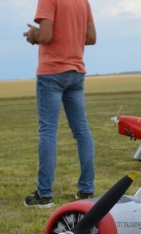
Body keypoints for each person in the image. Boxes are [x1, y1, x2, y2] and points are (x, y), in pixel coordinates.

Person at [23, 0, 96, 208]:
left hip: (52, 72)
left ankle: (44, 195)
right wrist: (69, 35)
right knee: (82, 131)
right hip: (76, 72)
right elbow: (91, 38)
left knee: (48, 131)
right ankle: (87, 189)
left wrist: (33, 35)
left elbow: (45, 36)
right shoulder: (83, 1)